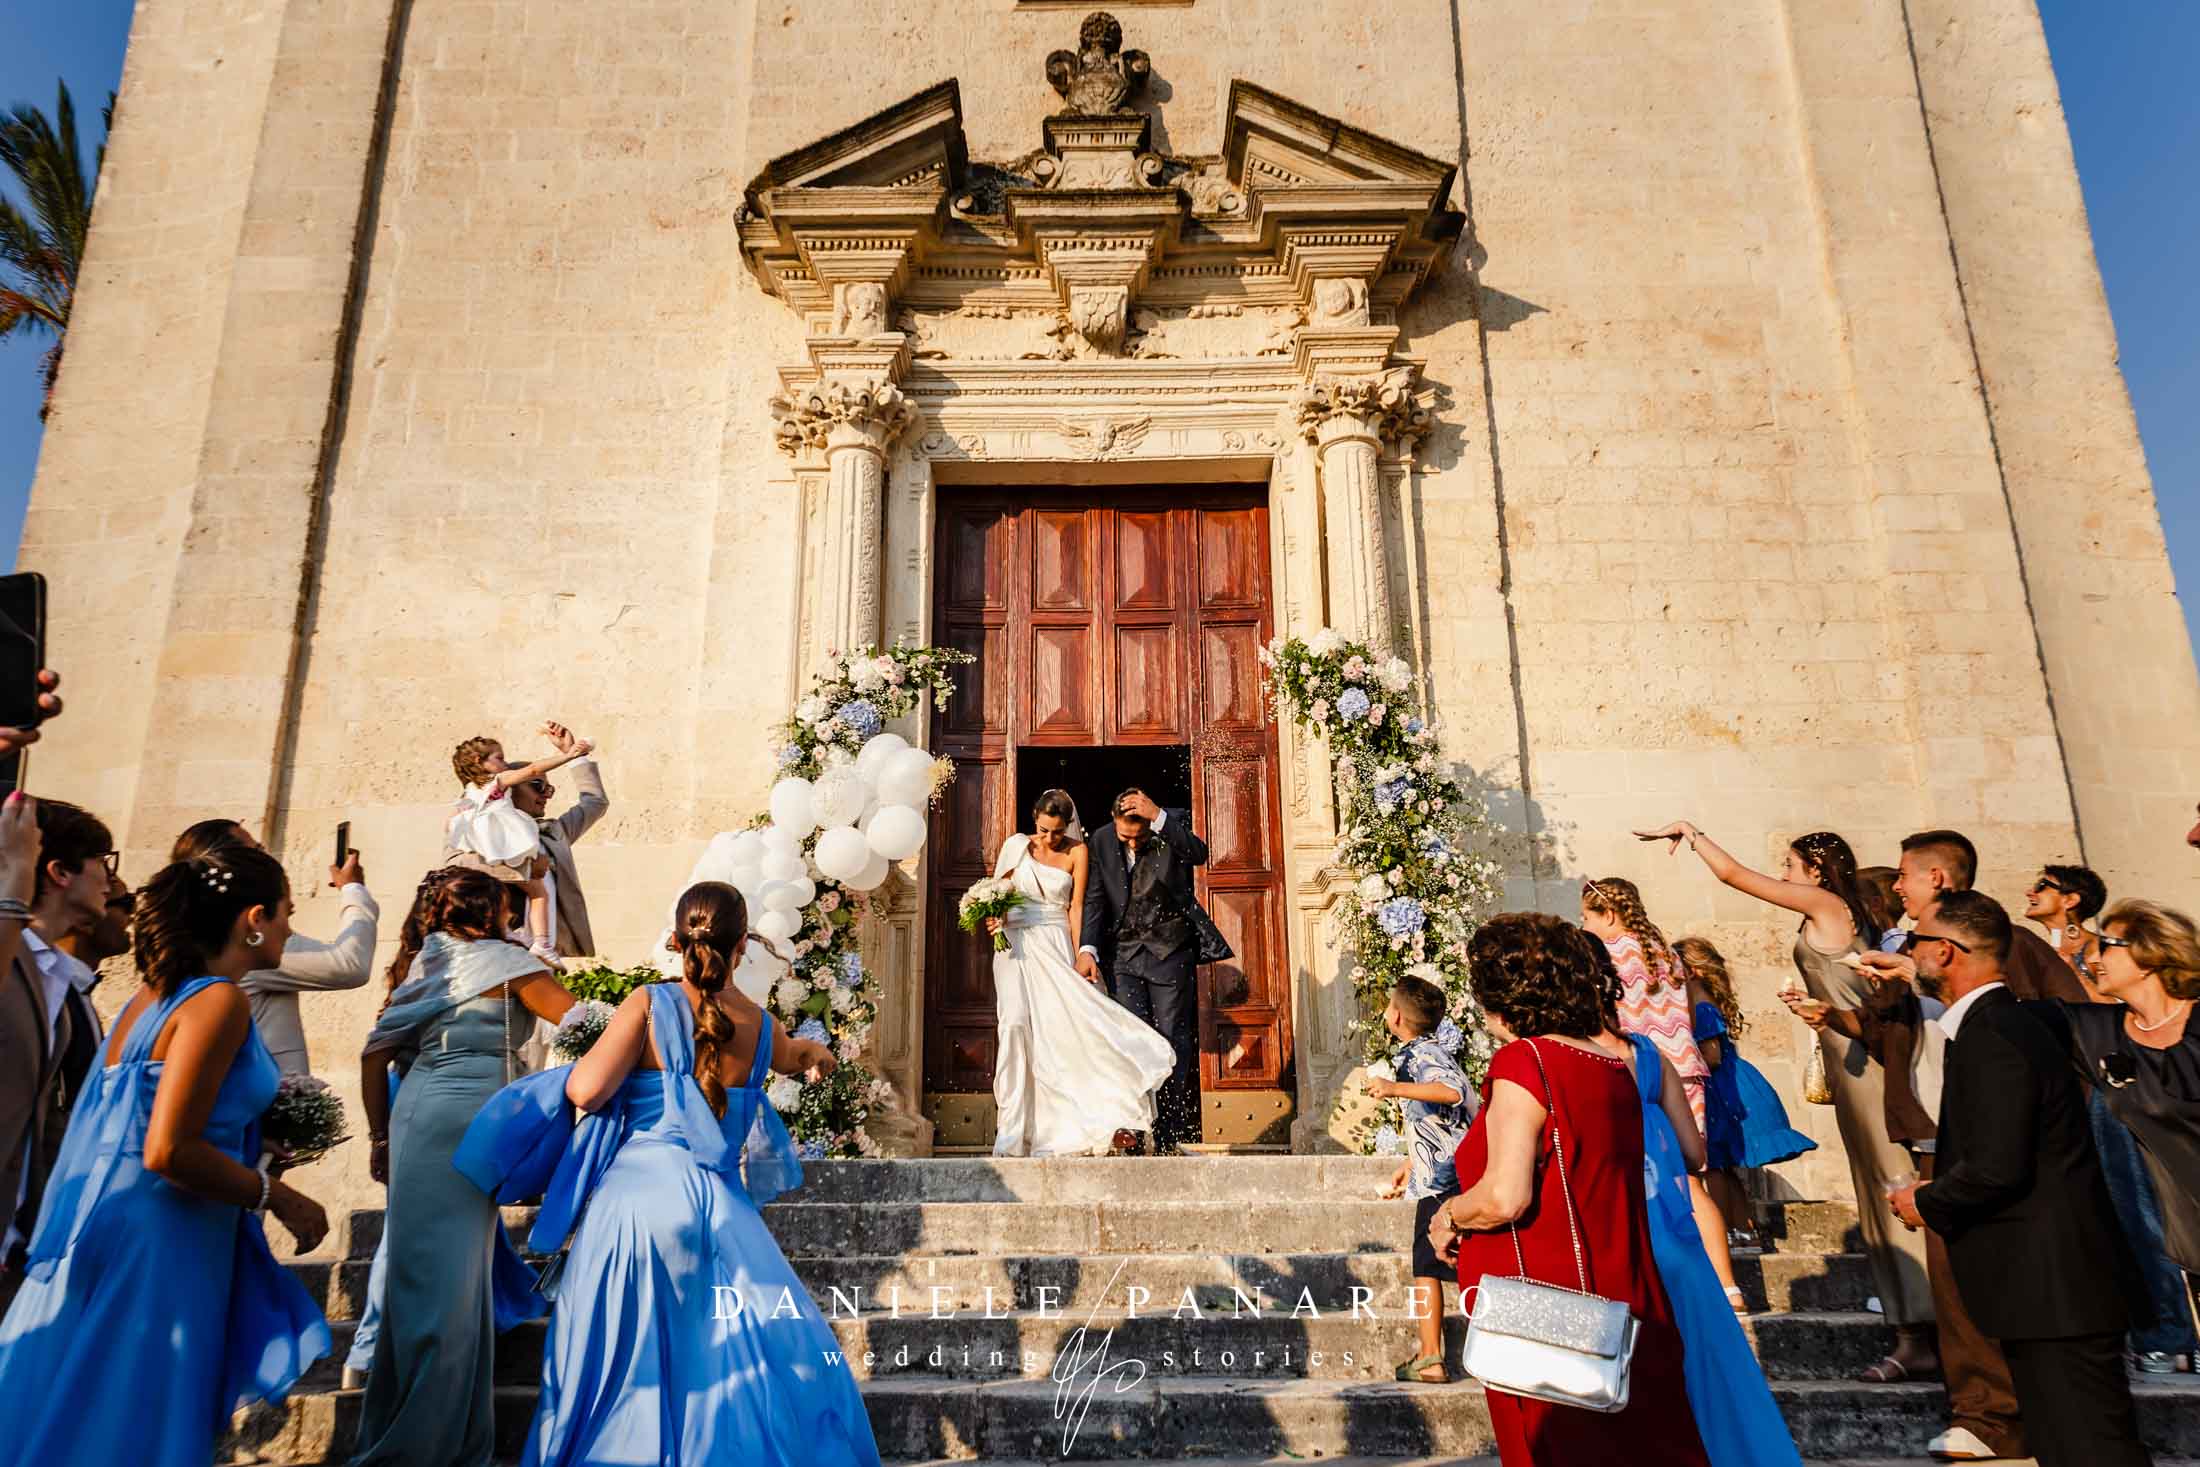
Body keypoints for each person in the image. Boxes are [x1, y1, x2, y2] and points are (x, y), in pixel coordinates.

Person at [468, 880, 880, 1466]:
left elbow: (585, 1090)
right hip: (718, 1210)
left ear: (677, 938)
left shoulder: (648, 1004)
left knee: (622, 1364)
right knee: (732, 1359)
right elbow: (796, 1057)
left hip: (635, 1207)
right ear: (743, 945)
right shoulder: (762, 1026)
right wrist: (818, 1055)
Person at [0, 843, 332, 1465]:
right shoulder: (218, 999)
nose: (289, 929)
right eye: (286, 912)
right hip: (167, 1234)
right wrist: (279, 1196)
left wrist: (251, 1141)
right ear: (253, 918)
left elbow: (140, 1116)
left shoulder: (147, 1000)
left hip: (115, 1221)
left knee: (93, 1403)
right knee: (134, 1416)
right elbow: (168, 1149)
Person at [1636, 819, 1939, 1384]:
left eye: (1791, 866)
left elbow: (1734, 876)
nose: (1783, 875)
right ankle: (1908, 1326)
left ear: (1818, 872)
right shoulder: (1839, 913)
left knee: (1889, 1182)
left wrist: (1694, 836)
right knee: (1874, 1187)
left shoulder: (1827, 904)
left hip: (1864, 1063)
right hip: (1847, 1058)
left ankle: (1920, 1328)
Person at [1426, 911, 1709, 1467]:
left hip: (1549, 1315)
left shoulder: (1526, 1062)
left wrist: (1449, 1215)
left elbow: (1506, 1196)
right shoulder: (1611, 1064)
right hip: (1624, 1295)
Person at [1887, 891, 2149, 1467]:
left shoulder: (1995, 1033)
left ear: (1946, 952)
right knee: (2067, 1447)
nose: (1909, 952)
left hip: (2055, 1285)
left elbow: (1996, 1167)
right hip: (2044, 1286)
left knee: (2091, 1448)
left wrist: (1926, 1200)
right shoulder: (1999, 1024)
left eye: (1916, 940)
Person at [348, 867, 574, 1467]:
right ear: (489, 911)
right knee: (452, 1290)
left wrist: (379, 1138)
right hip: (475, 1125)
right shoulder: (510, 964)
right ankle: (424, 1447)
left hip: (416, 1120)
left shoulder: (426, 964)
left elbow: (373, 1056)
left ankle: (432, 1436)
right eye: (505, 905)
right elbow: (582, 1021)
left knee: (430, 1283)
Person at [1595, 938, 1802, 1467]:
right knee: (1710, 1365)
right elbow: (1693, 1154)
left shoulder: (1569, 1061)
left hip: (1627, 1230)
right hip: (1676, 1227)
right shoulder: (1648, 1055)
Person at [2034, 899, 2200, 1372]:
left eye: (2107, 945)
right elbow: (2003, 1014)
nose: (2093, 955)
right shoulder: (2098, 1030)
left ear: (2149, 956)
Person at [986, 789, 1174, 1158]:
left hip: (1056, 941)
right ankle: (1011, 1130)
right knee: (1014, 1024)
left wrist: (1080, 956)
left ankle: (1086, 1120)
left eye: (1057, 831)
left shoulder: (1078, 851)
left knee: (1064, 1029)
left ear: (1068, 825)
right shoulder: (1016, 846)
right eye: (1044, 830)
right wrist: (993, 919)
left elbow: (1076, 907)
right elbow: (997, 895)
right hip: (1015, 947)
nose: (1050, 838)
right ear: (1035, 818)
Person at [1579, 877, 1739, 1305]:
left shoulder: (1610, 954)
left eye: (1587, 917)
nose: (1585, 925)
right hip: (1685, 1069)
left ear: (1608, 915)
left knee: (1644, 1174)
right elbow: (1685, 1016)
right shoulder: (1664, 952)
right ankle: (1727, 1284)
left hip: (1644, 1072)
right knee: (1691, 1181)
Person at [0, 797, 116, 1318]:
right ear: (60, 872)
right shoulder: (14, 958)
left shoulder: (60, 978)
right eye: (101, 863)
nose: (111, 881)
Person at [172, 818, 380, 1076]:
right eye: (257, 851)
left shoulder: (204, 940)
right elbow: (349, 965)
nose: (267, 857)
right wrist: (353, 889)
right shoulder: (245, 945)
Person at [1079, 787, 1209, 1154]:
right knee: (1129, 1041)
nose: (1133, 843)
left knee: (1171, 1040)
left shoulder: (1170, 825)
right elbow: (1095, 898)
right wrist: (1088, 949)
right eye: (1126, 837)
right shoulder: (1102, 839)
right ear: (1114, 822)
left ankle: (1168, 1132)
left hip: (1170, 953)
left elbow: (1198, 854)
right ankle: (1135, 1129)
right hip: (1123, 956)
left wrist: (1159, 817)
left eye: (1139, 836)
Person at [1673, 935, 1815, 1250]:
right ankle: (1743, 1230)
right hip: (1724, 1086)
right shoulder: (1704, 1003)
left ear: (1692, 971)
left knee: (1714, 1167)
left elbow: (1712, 1055)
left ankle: (1723, 1230)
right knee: (1723, 1166)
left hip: (1719, 1090)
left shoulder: (1701, 1006)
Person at [1369, 973, 1475, 1384]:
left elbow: (1451, 1092)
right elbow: (1440, 1120)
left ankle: (1431, 1357)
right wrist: (1410, 1164)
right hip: (1440, 1171)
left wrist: (1393, 1087)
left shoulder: (1418, 1055)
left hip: (1444, 1181)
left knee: (1427, 1267)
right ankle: (1433, 1353)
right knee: (1437, 1261)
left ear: (1396, 1016)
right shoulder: (1427, 1050)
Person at [451, 721, 610, 961]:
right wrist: (522, 868)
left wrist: (575, 755)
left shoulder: (553, 833)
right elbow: (456, 863)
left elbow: (595, 803)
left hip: (543, 958)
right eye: (538, 786)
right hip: (493, 954)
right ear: (510, 789)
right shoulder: (475, 825)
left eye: (550, 789)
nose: (546, 795)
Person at [2025, 863, 2107, 990]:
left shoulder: (2101, 951)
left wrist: (2074, 973)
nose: (2029, 892)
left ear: (2070, 900)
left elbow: (2124, 1001)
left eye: (2041, 886)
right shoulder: (2048, 949)